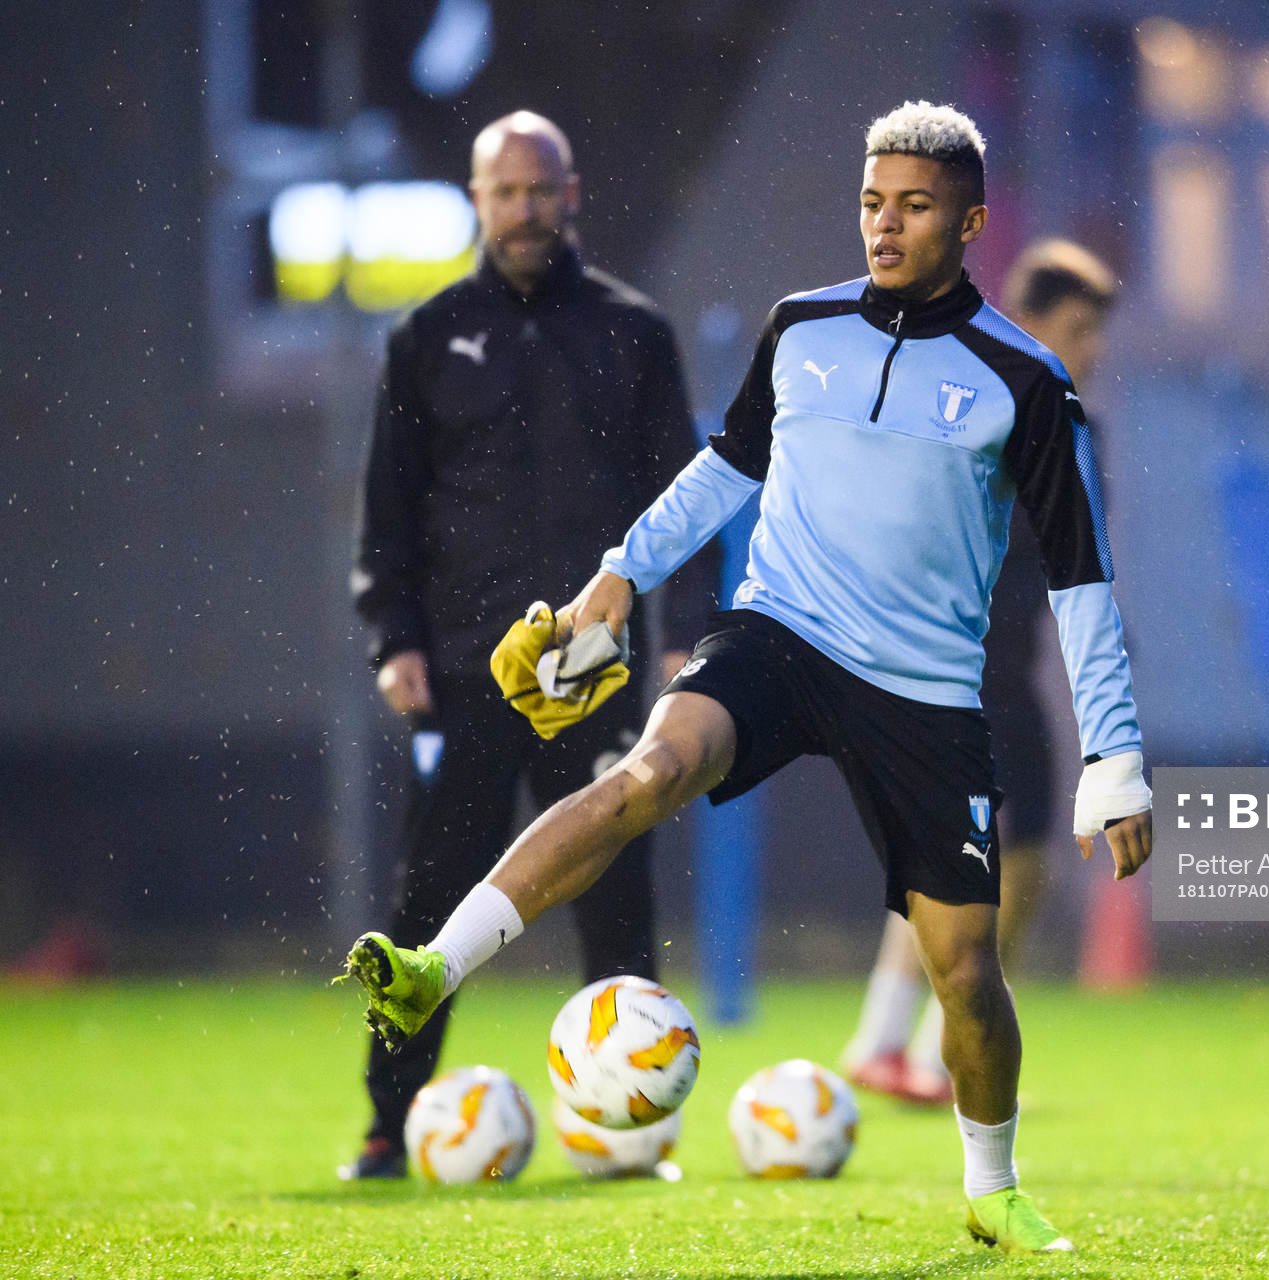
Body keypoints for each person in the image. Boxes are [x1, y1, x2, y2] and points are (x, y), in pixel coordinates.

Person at [339, 101, 1153, 1254]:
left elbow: (1084, 580)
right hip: (776, 632)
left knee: (965, 965)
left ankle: (991, 1182)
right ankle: (433, 966)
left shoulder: (1026, 381)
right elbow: (723, 471)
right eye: (873, 202)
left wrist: (1116, 758)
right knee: (645, 772)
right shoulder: (803, 327)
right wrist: (619, 576)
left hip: (922, 687)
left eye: (915, 207)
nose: (886, 224)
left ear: (971, 221)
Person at [342, 111, 711, 1179]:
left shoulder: (635, 332)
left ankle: (629, 1130)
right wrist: (392, 636)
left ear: (572, 192)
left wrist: (685, 635)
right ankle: (386, 1119)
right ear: (476, 199)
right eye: (503, 191)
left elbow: (684, 500)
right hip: (461, 678)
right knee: (430, 897)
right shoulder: (424, 336)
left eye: (539, 189)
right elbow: (389, 509)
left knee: (615, 890)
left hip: (597, 678)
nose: (523, 208)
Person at [840, 239, 1119, 1106]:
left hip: (990, 659)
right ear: (1028, 321)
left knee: (962, 848)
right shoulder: (969, 405)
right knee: (1021, 854)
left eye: (1097, 332)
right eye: (1077, 328)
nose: (1091, 348)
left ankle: (893, 1043)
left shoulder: (1071, 424)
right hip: (955, 656)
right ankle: (933, 1051)